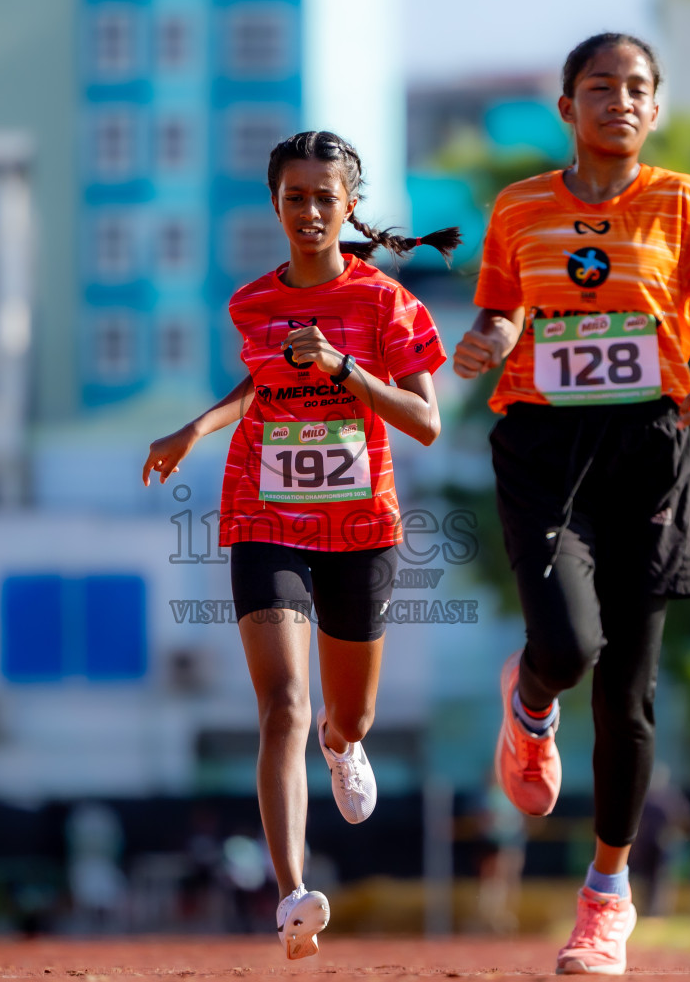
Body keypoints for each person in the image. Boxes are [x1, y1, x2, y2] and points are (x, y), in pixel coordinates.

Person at [454, 32, 690, 974]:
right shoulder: (519, 207)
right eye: (601, 88)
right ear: (568, 108)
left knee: (630, 697)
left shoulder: (684, 203)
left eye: (638, 88)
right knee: (566, 647)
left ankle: (605, 899)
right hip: (545, 447)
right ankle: (532, 701)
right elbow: (504, 308)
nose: (620, 102)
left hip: (648, 446)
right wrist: (484, 340)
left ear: (657, 106)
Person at [143, 130, 458, 959]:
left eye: (326, 197)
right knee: (282, 702)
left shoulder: (387, 304)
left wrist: (347, 369)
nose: (311, 211)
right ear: (275, 205)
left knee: (346, 712)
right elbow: (258, 384)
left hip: (359, 525)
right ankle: (292, 893)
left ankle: (343, 743)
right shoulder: (252, 303)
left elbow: (426, 422)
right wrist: (193, 428)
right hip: (263, 514)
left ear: (350, 204)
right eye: (295, 197)